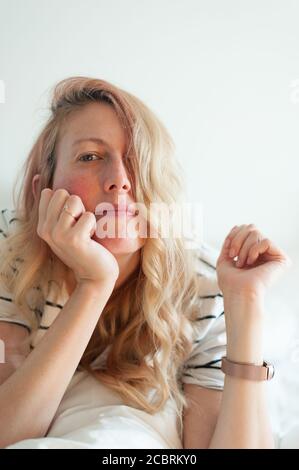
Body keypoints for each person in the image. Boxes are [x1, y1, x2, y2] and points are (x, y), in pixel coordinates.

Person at [0, 77, 291, 449]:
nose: (119, 181)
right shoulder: (13, 251)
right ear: (44, 189)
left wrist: (246, 304)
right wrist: (95, 283)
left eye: (136, 160)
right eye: (90, 157)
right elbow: (8, 433)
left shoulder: (202, 284)